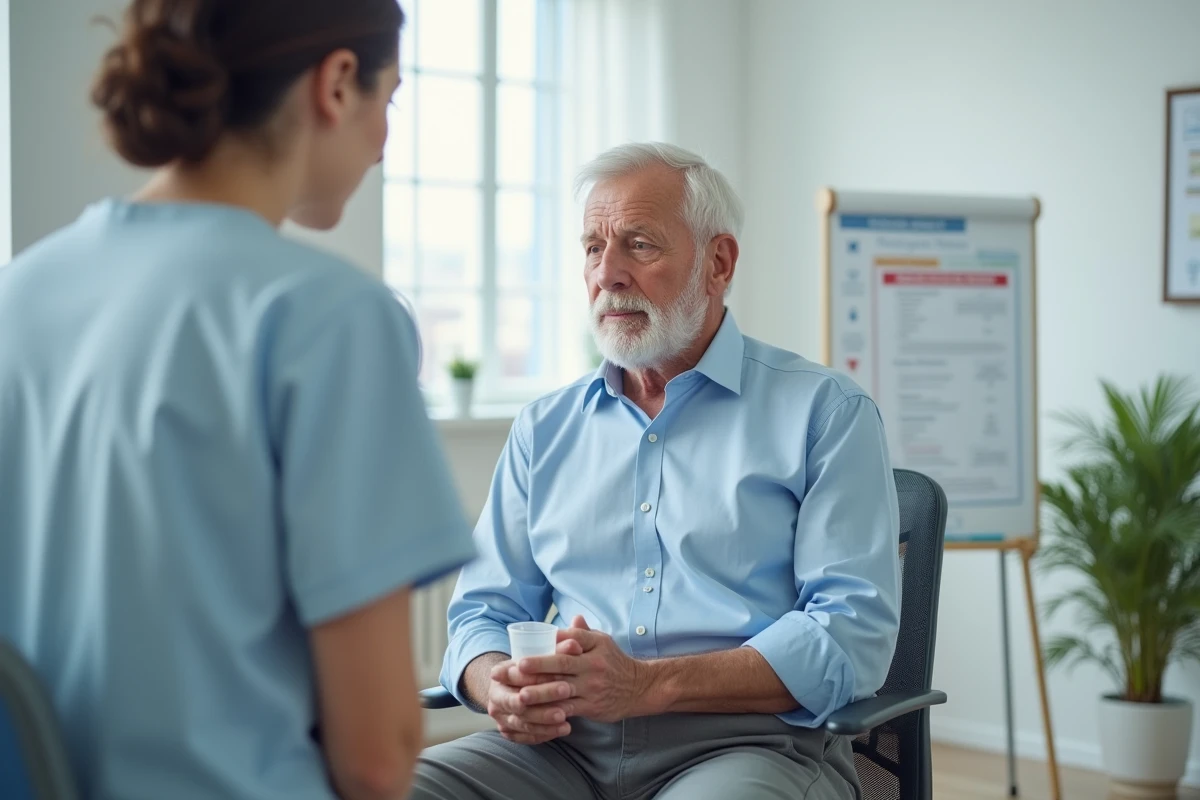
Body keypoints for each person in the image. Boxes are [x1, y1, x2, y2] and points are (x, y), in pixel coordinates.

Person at [0, 2, 474, 799]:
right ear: (337, 82)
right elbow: (377, 758)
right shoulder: (333, 319)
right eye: (388, 103)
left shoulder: (20, 294)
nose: (385, 143)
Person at [411, 142, 902, 800]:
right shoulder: (544, 427)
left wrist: (645, 687)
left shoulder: (826, 414)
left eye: (638, 244)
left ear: (718, 263)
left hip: (749, 745)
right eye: (592, 247)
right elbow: (484, 611)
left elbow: (850, 638)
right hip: (559, 750)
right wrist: (493, 680)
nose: (607, 273)